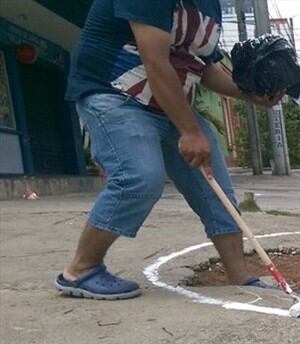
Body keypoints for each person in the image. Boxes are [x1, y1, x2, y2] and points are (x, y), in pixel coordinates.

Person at [56, 0, 283, 300]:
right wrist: (190, 131)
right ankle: (80, 270)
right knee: (139, 178)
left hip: (170, 101)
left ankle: (239, 277)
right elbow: (155, 61)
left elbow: (206, 68)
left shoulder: (209, 6)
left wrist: (252, 95)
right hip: (114, 94)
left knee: (215, 189)